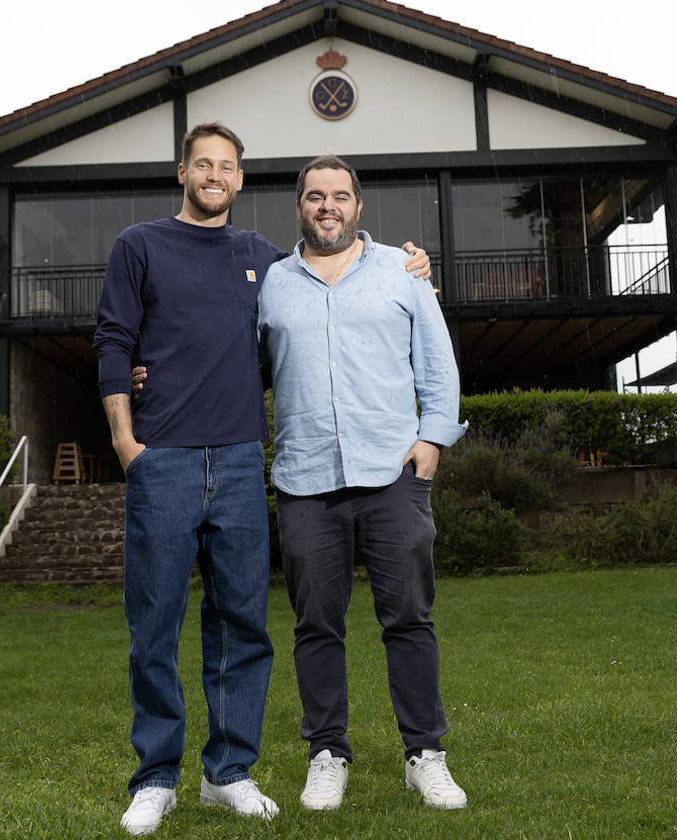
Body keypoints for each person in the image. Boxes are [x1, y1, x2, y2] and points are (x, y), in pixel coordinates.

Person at [94, 124, 429, 836]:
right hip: (163, 460)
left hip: (243, 461)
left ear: (240, 180)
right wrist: (126, 443)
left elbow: (327, 283)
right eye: (203, 164)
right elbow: (113, 340)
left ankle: (227, 773)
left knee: (242, 624)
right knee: (154, 626)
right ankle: (155, 778)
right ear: (183, 171)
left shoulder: (264, 263)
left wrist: (408, 264)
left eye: (227, 166)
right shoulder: (139, 245)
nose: (214, 175)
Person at [257, 155, 469, 812]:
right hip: (305, 481)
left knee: (408, 619)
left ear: (358, 205)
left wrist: (433, 439)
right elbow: (236, 364)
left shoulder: (402, 271)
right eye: (315, 196)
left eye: (340, 195)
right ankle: (327, 754)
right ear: (299, 206)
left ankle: (425, 754)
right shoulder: (272, 283)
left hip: (392, 475)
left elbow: (438, 363)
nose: (328, 206)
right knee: (316, 626)